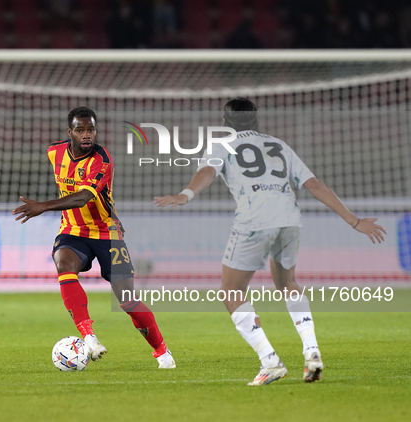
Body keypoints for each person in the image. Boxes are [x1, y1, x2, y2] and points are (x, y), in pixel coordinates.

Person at [154, 97, 386, 385]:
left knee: (231, 292)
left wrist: (185, 194)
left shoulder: (222, 144)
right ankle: (312, 351)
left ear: (225, 123)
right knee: (288, 283)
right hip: (289, 218)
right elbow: (314, 184)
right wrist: (354, 220)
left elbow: (207, 172)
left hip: (255, 220)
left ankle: (270, 361)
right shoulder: (279, 145)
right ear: (257, 120)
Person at [13, 106, 175, 369]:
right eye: (80, 130)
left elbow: (84, 197)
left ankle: (162, 351)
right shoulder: (54, 152)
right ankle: (88, 336)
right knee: (63, 262)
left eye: (91, 130)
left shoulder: (102, 160)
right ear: (70, 132)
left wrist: (43, 205)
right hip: (73, 231)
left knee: (128, 301)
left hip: (107, 233)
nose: (87, 135)